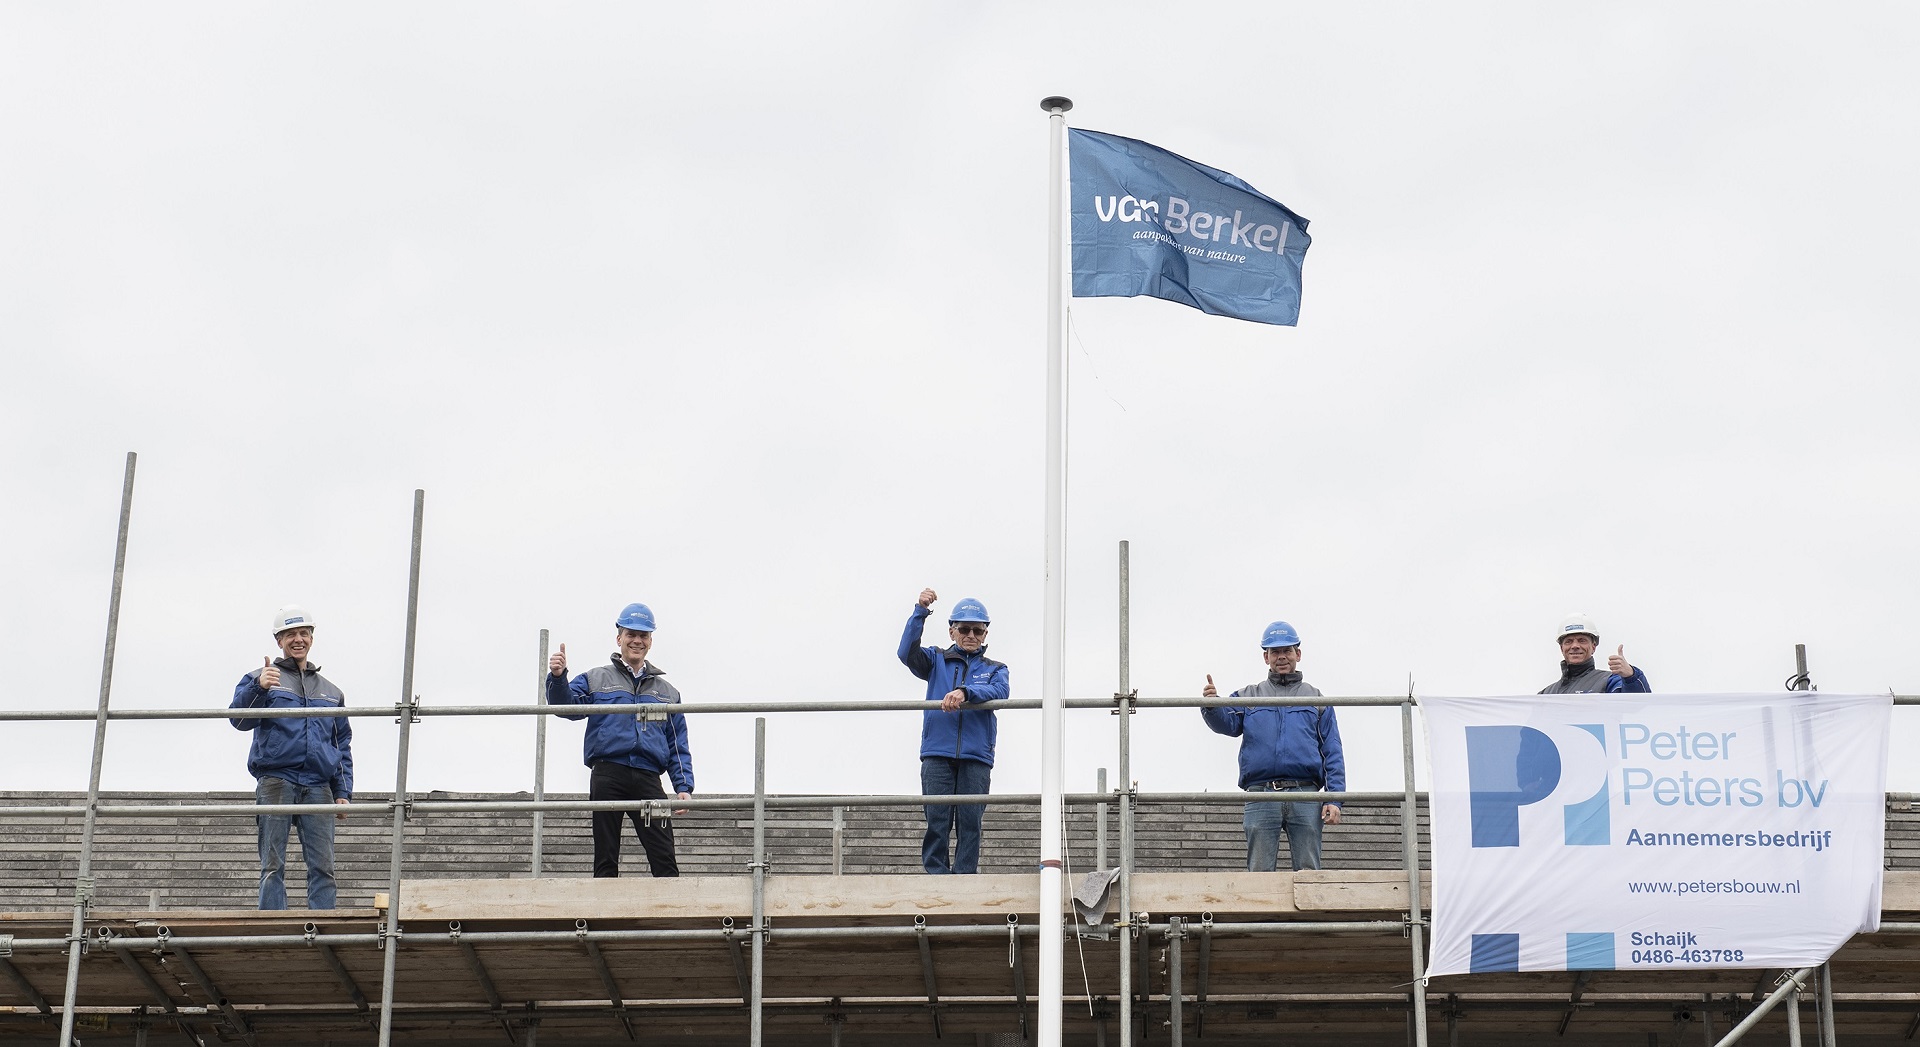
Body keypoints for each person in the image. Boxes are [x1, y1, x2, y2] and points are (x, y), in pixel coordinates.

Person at [548, 602, 693, 878]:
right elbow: (564, 707)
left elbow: (677, 742)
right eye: (631, 634)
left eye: (644, 635)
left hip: (649, 778)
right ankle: (604, 919)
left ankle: (670, 915)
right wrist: (558, 678)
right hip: (608, 774)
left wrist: (683, 785)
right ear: (619, 638)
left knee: (664, 855)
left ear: (650, 641)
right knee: (605, 855)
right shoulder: (596, 678)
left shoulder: (667, 692)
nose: (637, 641)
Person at [228, 605, 353, 910]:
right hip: (276, 779)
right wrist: (258, 689)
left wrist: (342, 792)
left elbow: (341, 744)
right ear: (279, 640)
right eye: (290, 635)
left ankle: (323, 927)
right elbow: (238, 720)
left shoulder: (331, 692)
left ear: (311, 638)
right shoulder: (261, 677)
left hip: (318, 784)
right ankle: (272, 923)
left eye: (303, 633)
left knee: (323, 865)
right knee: (273, 863)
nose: (298, 639)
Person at [1201, 620, 1344, 872]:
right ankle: (1261, 914)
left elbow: (1332, 751)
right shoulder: (1248, 695)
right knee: (1259, 873)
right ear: (1265, 657)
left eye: (1287, 650)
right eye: (1275, 652)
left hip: (1306, 794)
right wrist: (1212, 706)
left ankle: (1308, 912)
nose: (1281, 657)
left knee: (1309, 871)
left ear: (1297, 654)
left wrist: (1334, 799)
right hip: (1260, 793)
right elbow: (1227, 724)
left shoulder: (1317, 699)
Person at [897, 588, 1009, 874]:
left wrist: (965, 691)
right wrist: (920, 612)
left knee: (971, 822)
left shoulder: (996, 668)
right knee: (937, 820)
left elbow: (1001, 690)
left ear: (985, 634)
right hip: (937, 752)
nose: (971, 635)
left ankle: (964, 881)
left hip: (976, 756)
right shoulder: (936, 660)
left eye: (978, 630)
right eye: (964, 629)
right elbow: (906, 653)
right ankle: (937, 878)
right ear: (951, 632)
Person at [1541, 613, 1650, 694]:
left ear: (1593, 646)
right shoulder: (1546, 694)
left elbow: (1638, 705)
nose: (1575, 646)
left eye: (1581, 640)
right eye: (1568, 641)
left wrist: (1631, 677)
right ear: (1561, 648)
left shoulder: (1609, 681)